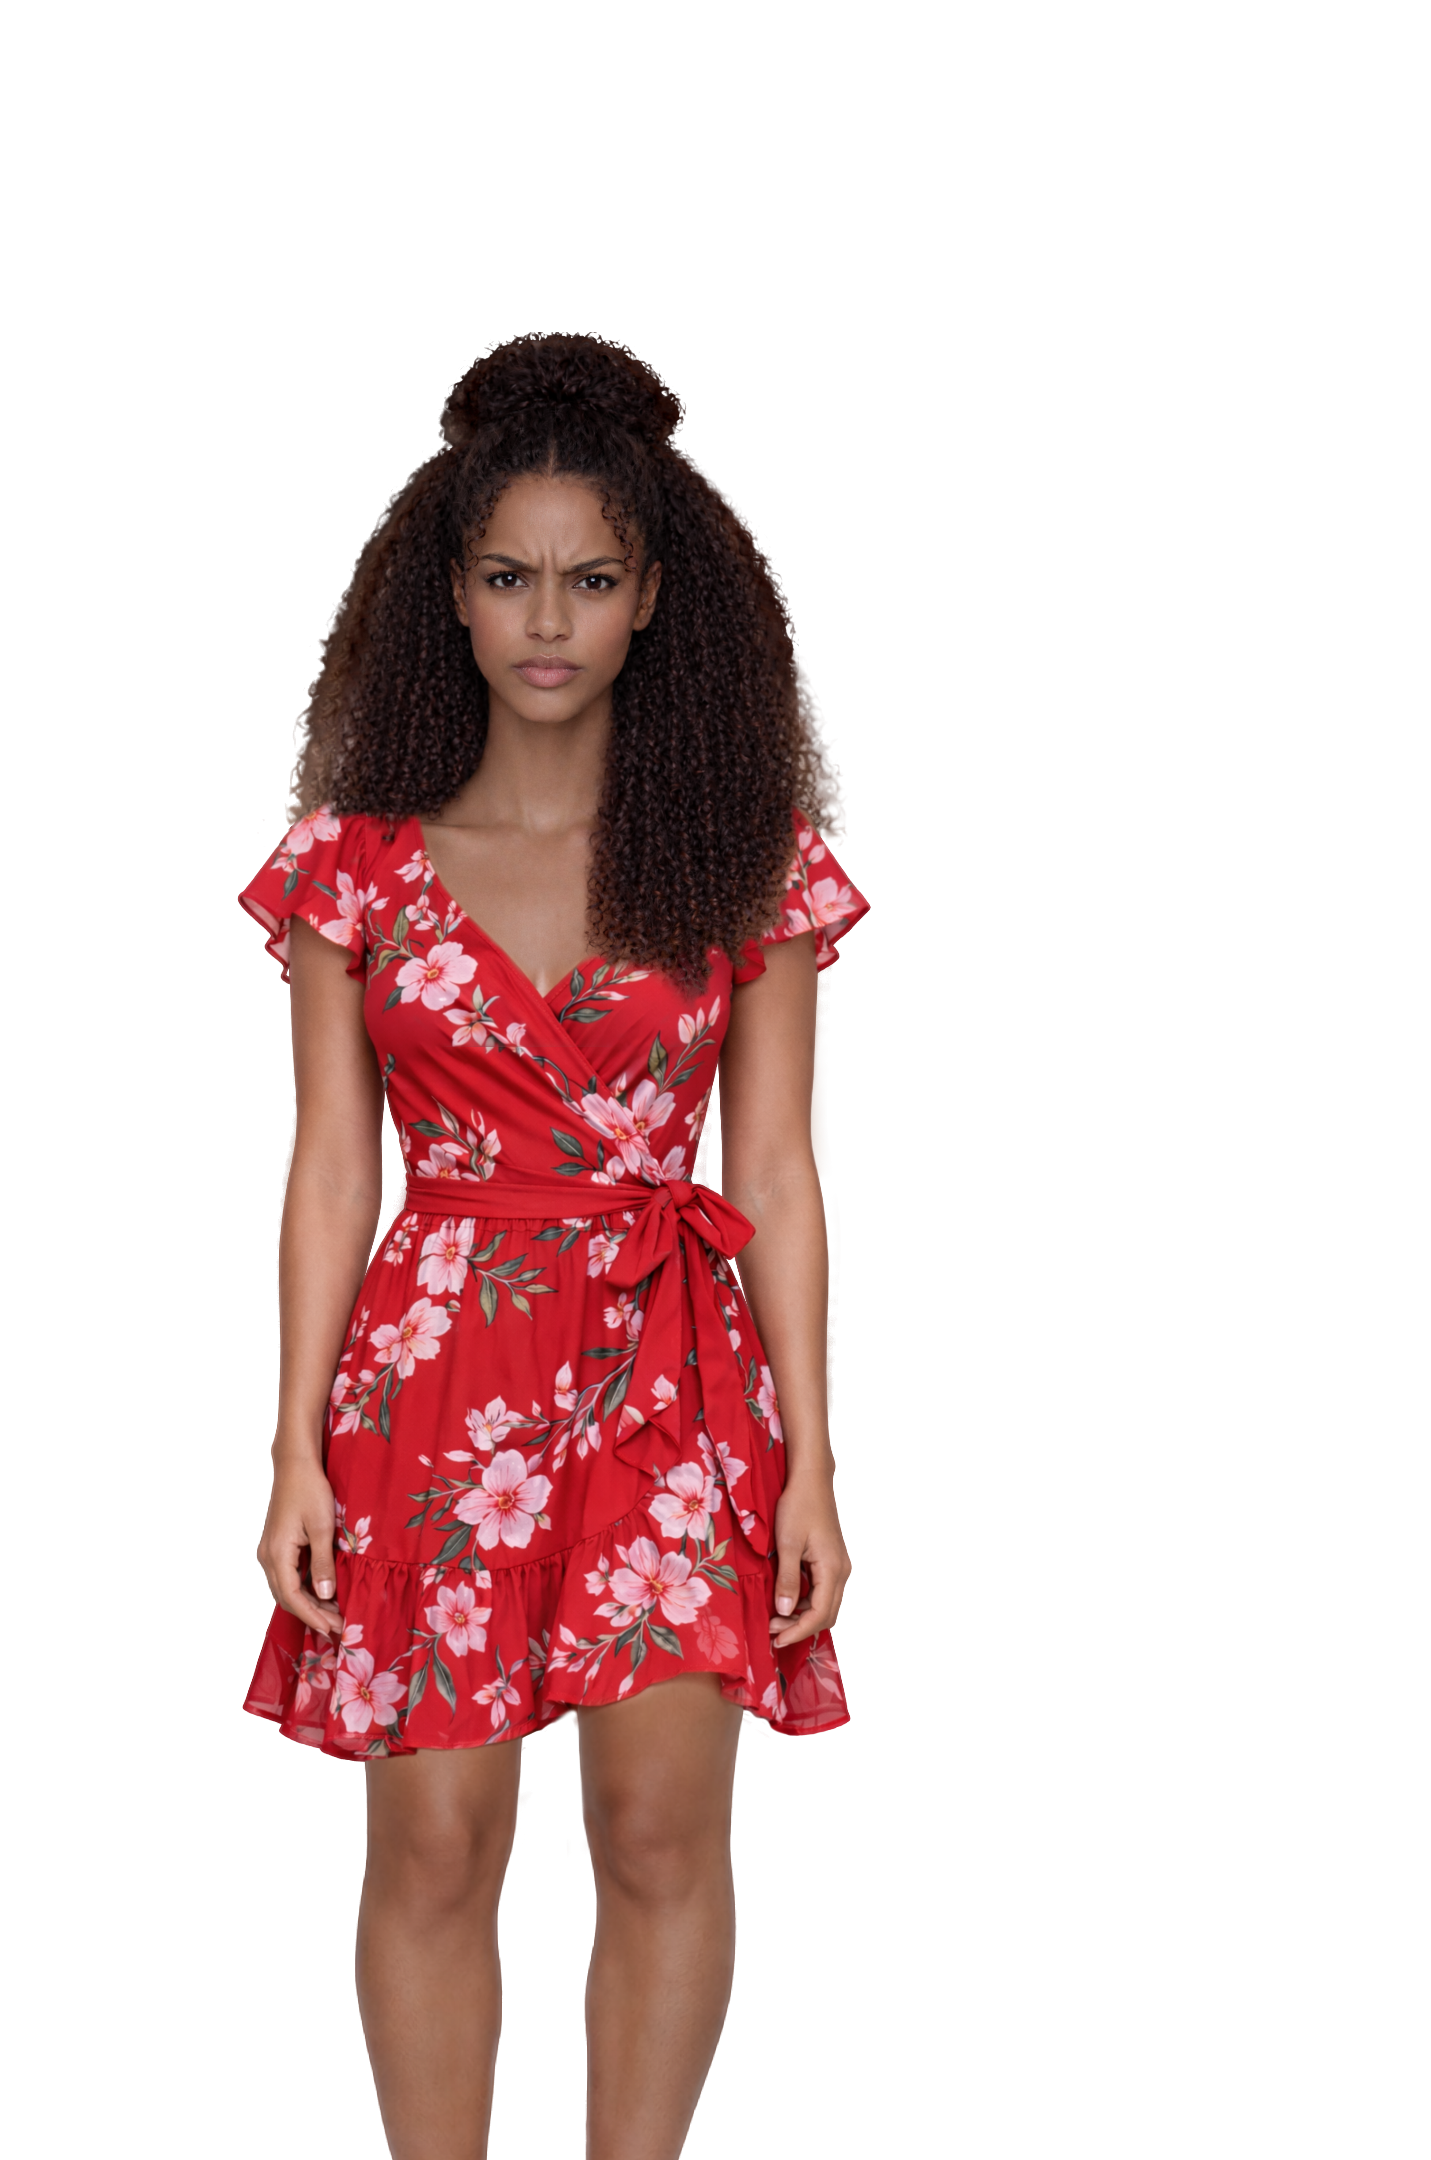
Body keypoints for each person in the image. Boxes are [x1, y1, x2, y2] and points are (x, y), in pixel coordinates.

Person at [236, 332, 870, 2160]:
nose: (547, 619)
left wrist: (815, 1461)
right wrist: (291, 1444)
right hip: (433, 1368)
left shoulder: (743, 857)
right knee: (435, 1842)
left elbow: (781, 1164)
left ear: (654, 599)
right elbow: (331, 1166)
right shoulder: (353, 864)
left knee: (661, 1834)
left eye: (591, 580)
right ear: (450, 592)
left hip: (676, 1375)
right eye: (510, 575)